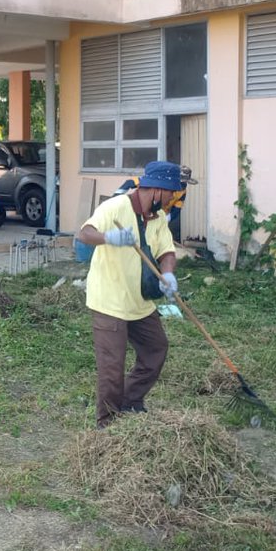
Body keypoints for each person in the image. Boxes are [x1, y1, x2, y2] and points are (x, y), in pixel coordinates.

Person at [76, 161, 181, 428]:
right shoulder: (116, 207)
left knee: (155, 348)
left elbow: (166, 251)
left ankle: (130, 401)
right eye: (171, 194)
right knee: (112, 367)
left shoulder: (157, 218)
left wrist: (168, 274)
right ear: (157, 190)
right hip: (109, 301)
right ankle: (107, 424)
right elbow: (85, 233)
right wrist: (109, 237)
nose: (172, 199)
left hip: (139, 302)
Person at [113, 165, 197, 242]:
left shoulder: (183, 192)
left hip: (160, 215)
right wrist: (114, 198)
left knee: (153, 240)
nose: (181, 185)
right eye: (181, 182)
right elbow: (129, 182)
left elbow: (176, 210)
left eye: (185, 183)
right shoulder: (155, 181)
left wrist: (164, 220)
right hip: (141, 210)